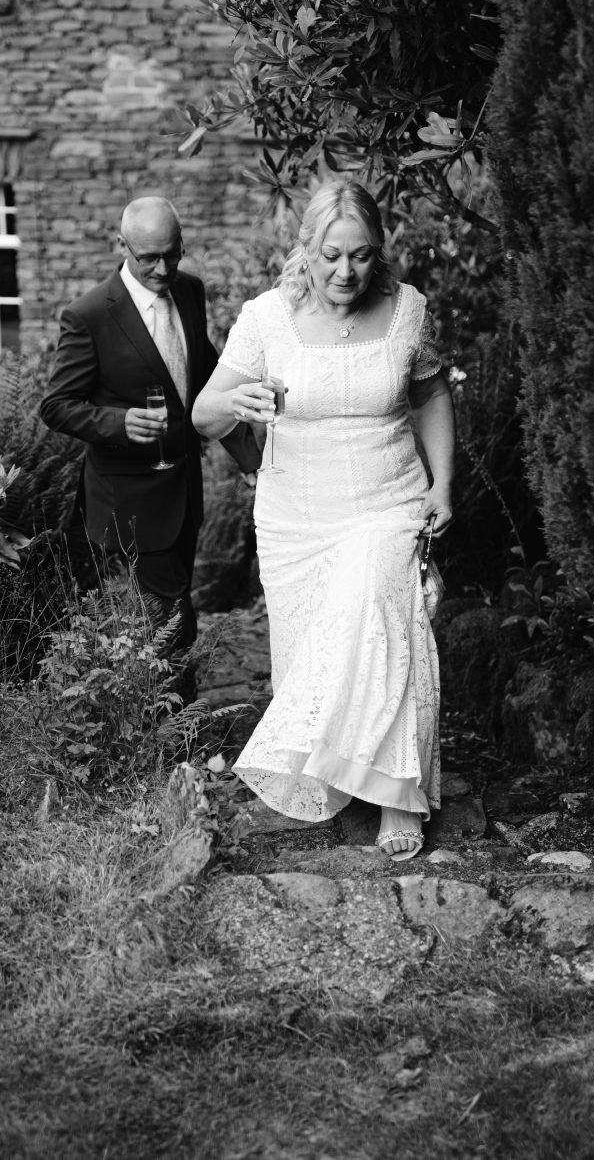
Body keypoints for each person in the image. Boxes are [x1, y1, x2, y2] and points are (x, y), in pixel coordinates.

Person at [192, 179, 455, 861]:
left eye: (362, 256)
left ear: (379, 254)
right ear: (305, 250)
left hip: (388, 501)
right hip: (296, 518)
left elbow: (429, 394)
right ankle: (344, 777)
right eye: (332, 256)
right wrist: (239, 400)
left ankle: (399, 794)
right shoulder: (265, 319)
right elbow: (204, 412)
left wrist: (443, 485)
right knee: (319, 659)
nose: (346, 272)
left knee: (383, 625)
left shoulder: (408, 311)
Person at [39, 196, 260, 663]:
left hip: (185, 490)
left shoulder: (191, 291)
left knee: (169, 612)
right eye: (149, 258)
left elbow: (207, 379)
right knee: (173, 616)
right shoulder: (89, 315)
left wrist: (249, 460)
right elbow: (56, 406)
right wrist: (118, 422)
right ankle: (176, 723)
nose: (163, 268)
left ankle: (166, 713)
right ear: (122, 246)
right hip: (131, 498)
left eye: (173, 253)